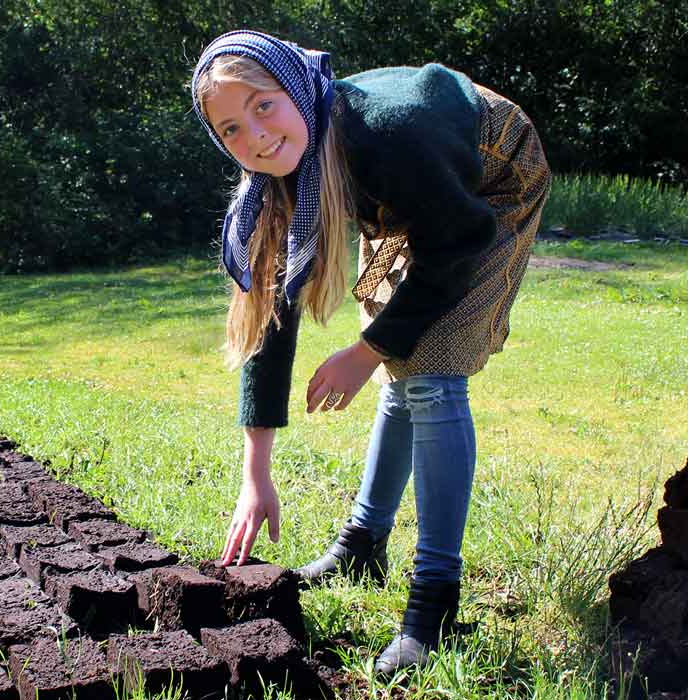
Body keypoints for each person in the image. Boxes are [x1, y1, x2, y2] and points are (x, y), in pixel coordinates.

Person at [190, 30, 551, 676]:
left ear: (295, 88)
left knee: (429, 368)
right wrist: (256, 474)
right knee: (401, 368)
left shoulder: (388, 134)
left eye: (263, 106)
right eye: (231, 129)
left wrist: (366, 350)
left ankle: (433, 602)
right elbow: (269, 317)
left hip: (489, 181)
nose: (256, 137)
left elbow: (457, 240)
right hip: (405, 205)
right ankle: (363, 544)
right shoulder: (280, 180)